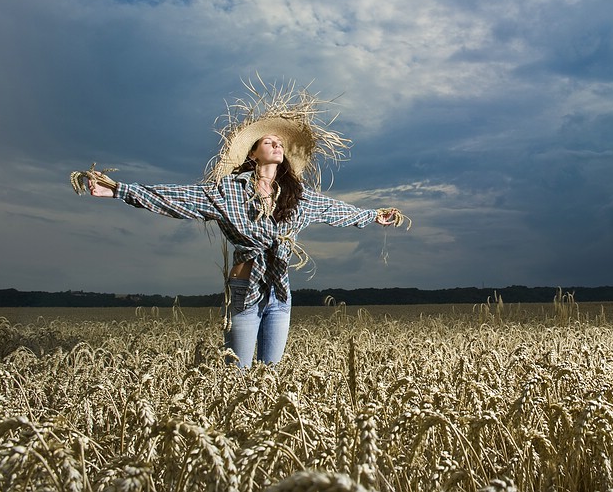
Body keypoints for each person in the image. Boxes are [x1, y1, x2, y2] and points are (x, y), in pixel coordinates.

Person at [79, 79, 406, 367]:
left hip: (280, 294)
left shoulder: (298, 195)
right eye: (269, 142)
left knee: (270, 376)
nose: (277, 145)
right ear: (253, 154)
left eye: (280, 143)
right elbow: (178, 198)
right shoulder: (227, 192)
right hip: (245, 291)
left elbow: (335, 210)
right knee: (238, 373)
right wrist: (119, 191)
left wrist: (372, 216)